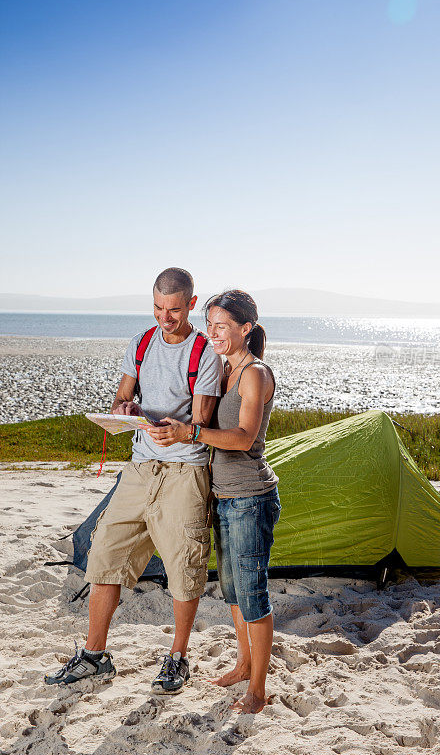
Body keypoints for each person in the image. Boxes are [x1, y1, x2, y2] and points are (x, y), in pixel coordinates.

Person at [44, 267, 222, 693]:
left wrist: (171, 428)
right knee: (104, 553)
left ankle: (178, 657)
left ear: (191, 305)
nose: (166, 318)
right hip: (139, 469)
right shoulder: (140, 343)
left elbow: (199, 421)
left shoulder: (205, 353)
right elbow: (121, 398)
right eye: (159, 308)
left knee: (184, 565)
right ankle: (94, 655)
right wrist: (124, 410)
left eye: (175, 310)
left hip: (185, 471)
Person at [140, 289, 280, 714]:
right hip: (223, 496)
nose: (213, 333)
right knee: (235, 593)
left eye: (222, 326)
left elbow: (243, 438)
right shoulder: (223, 368)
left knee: (254, 596)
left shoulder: (255, 373)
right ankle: (243, 664)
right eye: (211, 325)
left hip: (250, 497)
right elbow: (196, 407)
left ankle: (257, 690)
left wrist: (191, 434)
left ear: (246, 328)